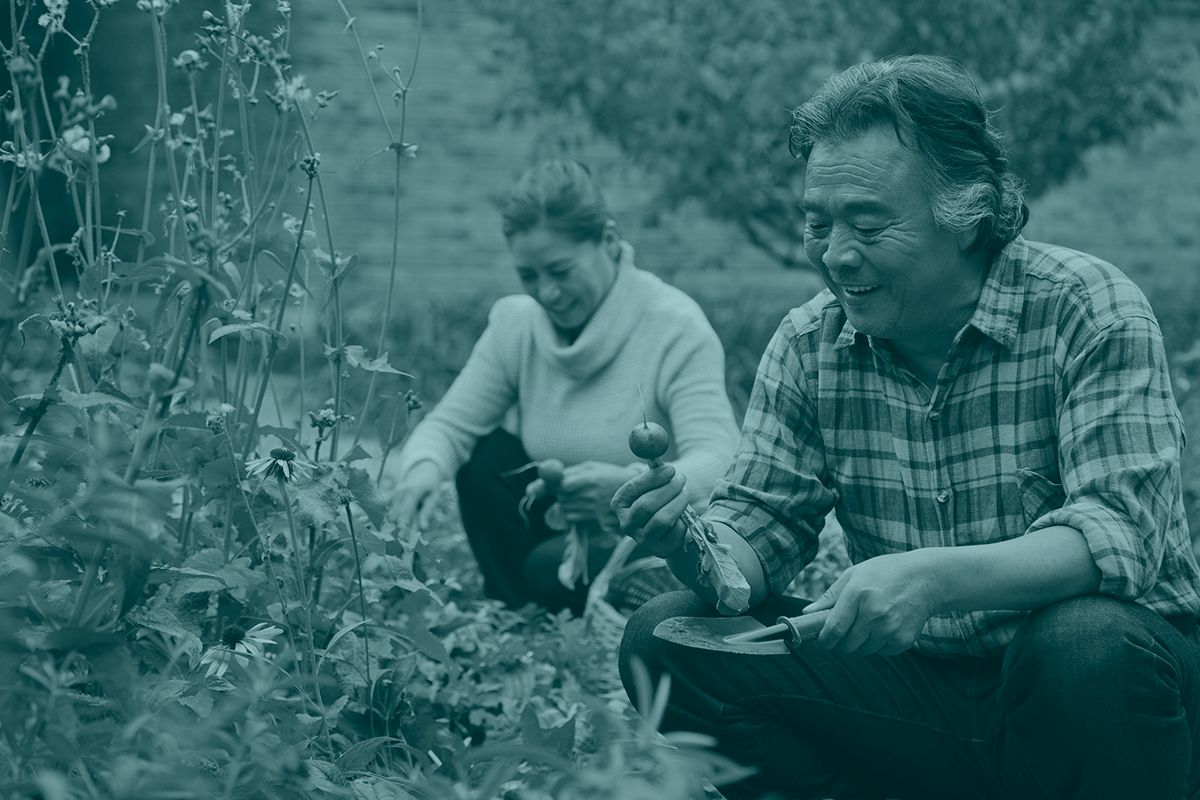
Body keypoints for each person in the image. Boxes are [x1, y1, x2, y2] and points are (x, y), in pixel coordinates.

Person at [612, 55, 1200, 800]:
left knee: (1082, 643)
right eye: (817, 224)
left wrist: (932, 578)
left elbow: (1120, 533)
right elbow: (757, 532)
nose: (835, 255)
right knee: (662, 638)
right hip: (928, 699)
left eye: (867, 224)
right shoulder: (809, 344)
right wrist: (689, 540)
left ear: (968, 212)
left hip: (1101, 698)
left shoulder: (1086, 308)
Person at [390, 159, 740, 615]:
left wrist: (632, 485)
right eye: (529, 276)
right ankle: (518, 621)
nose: (547, 293)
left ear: (609, 242)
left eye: (560, 270)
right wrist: (421, 470)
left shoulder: (675, 329)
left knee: (547, 567)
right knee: (485, 456)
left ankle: (580, 615)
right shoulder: (516, 325)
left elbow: (719, 458)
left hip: (641, 537)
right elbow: (451, 426)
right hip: (558, 524)